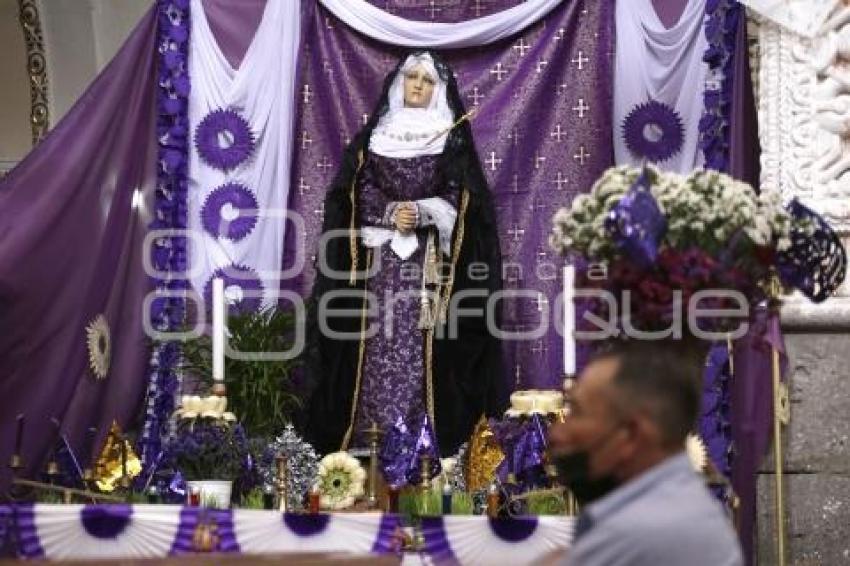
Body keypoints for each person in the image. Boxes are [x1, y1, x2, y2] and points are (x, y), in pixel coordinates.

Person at [302, 51, 505, 456]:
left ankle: (420, 442)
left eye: (426, 80)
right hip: (379, 264)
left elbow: (461, 196)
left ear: (437, 89)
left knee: (421, 345)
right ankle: (367, 440)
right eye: (411, 77)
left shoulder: (449, 136)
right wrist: (392, 212)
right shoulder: (377, 137)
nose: (417, 85)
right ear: (400, 83)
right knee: (375, 341)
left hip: (429, 264)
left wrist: (424, 211)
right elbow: (356, 193)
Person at [548, 341, 743, 566]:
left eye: (577, 413)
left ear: (631, 434)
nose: (558, 432)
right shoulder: (679, 504)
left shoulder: (638, 531)